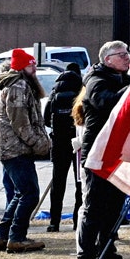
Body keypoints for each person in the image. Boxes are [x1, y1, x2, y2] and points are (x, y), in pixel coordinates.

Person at [74, 41, 130, 259]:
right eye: (120, 55)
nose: (126, 58)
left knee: (113, 208)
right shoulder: (96, 79)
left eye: (127, 54)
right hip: (98, 153)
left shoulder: (119, 78)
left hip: (117, 152)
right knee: (94, 209)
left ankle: (107, 255)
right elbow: (107, 102)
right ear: (107, 59)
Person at [0, 50, 50, 253]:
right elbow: (20, 123)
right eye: (30, 65)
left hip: (13, 149)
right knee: (30, 194)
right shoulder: (18, 86)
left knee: (20, 193)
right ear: (21, 68)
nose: (34, 69)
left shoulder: (20, 84)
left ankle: (2, 236)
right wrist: (38, 143)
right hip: (16, 149)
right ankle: (16, 237)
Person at [45, 61, 85, 233]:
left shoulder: (54, 92)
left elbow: (46, 118)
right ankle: (77, 221)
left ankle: (54, 222)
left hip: (58, 142)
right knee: (79, 183)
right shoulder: (80, 91)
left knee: (58, 182)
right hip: (76, 143)